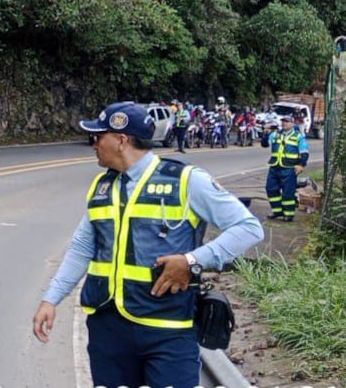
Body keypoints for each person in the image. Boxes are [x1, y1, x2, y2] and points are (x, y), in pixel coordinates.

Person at [32, 102, 263, 388]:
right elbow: (82, 247)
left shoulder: (186, 180)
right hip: (109, 329)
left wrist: (192, 261)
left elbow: (249, 228)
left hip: (167, 330)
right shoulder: (102, 187)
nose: (92, 145)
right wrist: (51, 299)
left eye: (97, 137)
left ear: (121, 140)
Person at [265, 114, 309, 222]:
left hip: (289, 168)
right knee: (270, 189)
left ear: (293, 124)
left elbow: (304, 153)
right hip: (275, 167)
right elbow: (264, 144)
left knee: (287, 192)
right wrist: (266, 134)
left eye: (287, 121)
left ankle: (288, 214)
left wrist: (301, 165)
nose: (284, 123)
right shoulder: (275, 134)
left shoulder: (298, 137)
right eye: (283, 121)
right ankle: (277, 211)